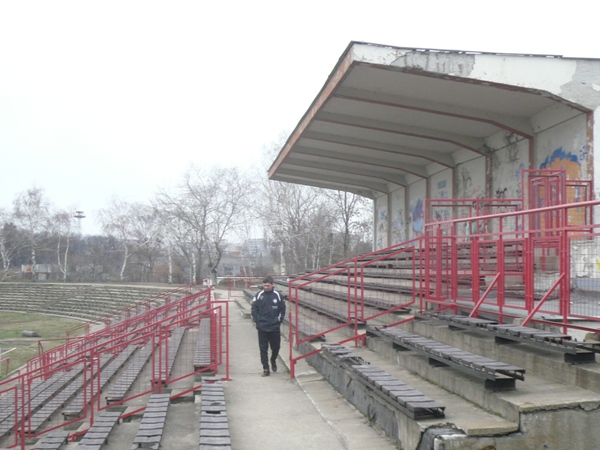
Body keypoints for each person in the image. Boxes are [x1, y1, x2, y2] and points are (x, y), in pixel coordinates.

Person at [251, 275, 286, 377]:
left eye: (268, 285)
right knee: (263, 349)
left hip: (274, 327)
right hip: (262, 327)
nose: (266, 287)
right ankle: (266, 368)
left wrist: (278, 321)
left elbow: (282, 310)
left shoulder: (278, 296)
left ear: (272, 285)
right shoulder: (258, 295)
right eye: (264, 285)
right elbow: (254, 308)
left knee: (276, 347)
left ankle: (273, 360)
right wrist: (257, 321)